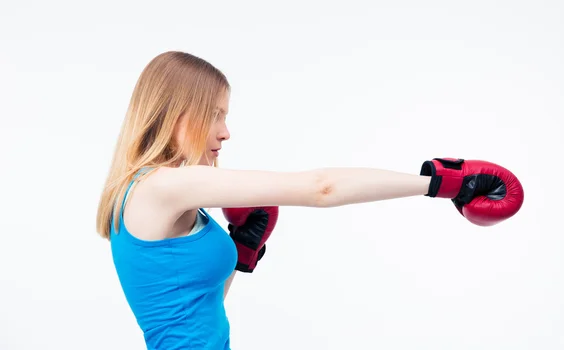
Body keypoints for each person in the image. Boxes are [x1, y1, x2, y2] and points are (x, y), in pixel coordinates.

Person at [95, 51, 524, 350]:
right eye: (216, 114)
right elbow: (321, 188)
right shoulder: (166, 187)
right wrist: (442, 182)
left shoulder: (149, 190)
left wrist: (244, 251)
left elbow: (196, 311)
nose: (226, 132)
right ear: (178, 112)